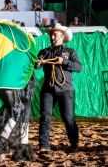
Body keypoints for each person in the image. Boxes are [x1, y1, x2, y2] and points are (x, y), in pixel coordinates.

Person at [35, 23, 82, 152]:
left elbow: (79, 67)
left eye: (54, 34)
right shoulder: (44, 52)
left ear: (61, 36)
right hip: (48, 89)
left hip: (66, 89)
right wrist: (38, 63)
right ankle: (44, 145)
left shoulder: (70, 52)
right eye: (51, 34)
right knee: (45, 116)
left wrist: (64, 62)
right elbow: (37, 66)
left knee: (68, 117)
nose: (52, 36)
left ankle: (74, 143)